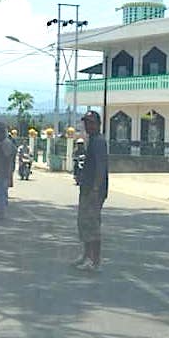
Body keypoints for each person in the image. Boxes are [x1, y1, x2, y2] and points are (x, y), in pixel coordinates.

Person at [74, 111, 108, 271]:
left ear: (98, 124)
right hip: (87, 189)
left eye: (91, 123)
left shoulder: (99, 141)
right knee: (84, 223)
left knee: (92, 225)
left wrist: (95, 188)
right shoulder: (92, 140)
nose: (88, 126)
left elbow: (101, 167)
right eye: (86, 123)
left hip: (94, 191)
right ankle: (86, 255)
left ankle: (95, 260)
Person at [0, 122, 15, 220]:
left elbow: (8, 159)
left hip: (2, 172)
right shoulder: (0, 142)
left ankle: (0, 214)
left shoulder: (6, 143)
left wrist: (7, 174)